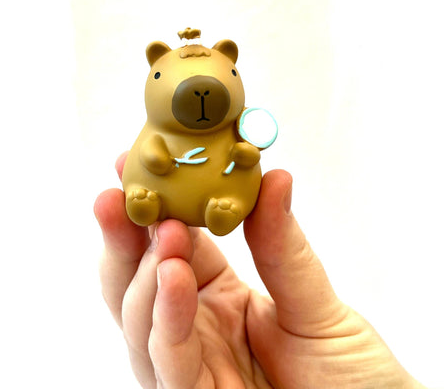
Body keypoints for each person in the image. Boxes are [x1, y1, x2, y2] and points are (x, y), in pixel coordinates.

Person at [94, 152, 427, 389]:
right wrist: (153, 157)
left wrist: (243, 155)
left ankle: (222, 208)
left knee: (171, 271)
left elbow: (247, 159)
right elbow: (149, 151)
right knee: (165, 268)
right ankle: (150, 198)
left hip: (225, 189)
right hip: (166, 185)